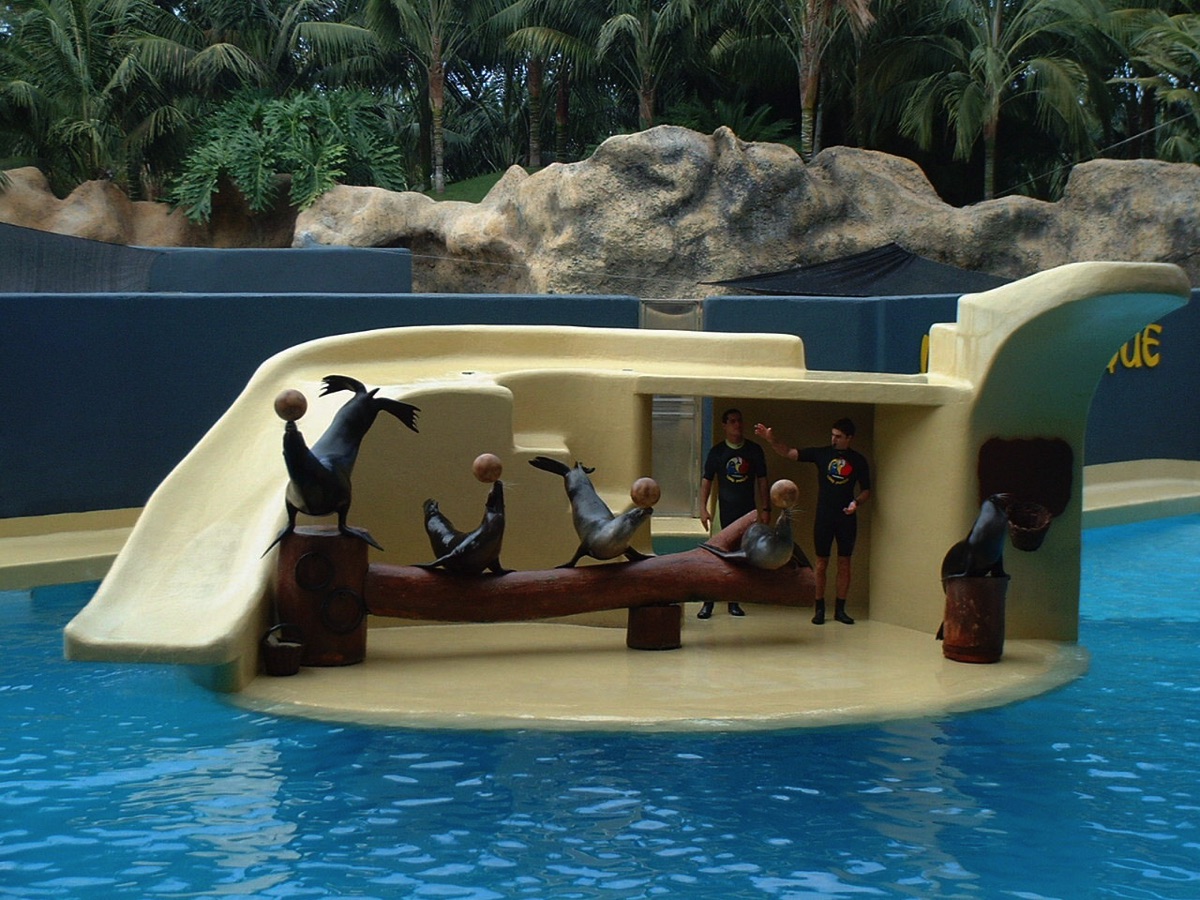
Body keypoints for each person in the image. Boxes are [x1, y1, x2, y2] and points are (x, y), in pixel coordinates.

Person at [754, 417, 870, 625]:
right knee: (821, 563)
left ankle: (841, 609)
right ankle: (819, 608)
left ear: (849, 438)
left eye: (839, 437)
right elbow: (790, 453)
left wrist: (856, 503)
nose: (834, 440)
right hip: (825, 516)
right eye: (832, 435)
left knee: (844, 563)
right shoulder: (822, 454)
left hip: (846, 518)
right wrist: (771, 440)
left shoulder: (858, 460)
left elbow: (866, 490)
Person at [697, 408, 769, 619]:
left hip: (747, 513)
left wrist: (766, 508)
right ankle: (708, 602)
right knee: (714, 556)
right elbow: (707, 480)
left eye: (740, 421)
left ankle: (734, 601)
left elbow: (763, 481)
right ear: (724, 425)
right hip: (724, 511)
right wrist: (702, 508)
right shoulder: (717, 452)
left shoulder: (754, 450)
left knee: (740, 558)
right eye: (732, 421)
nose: (737, 425)